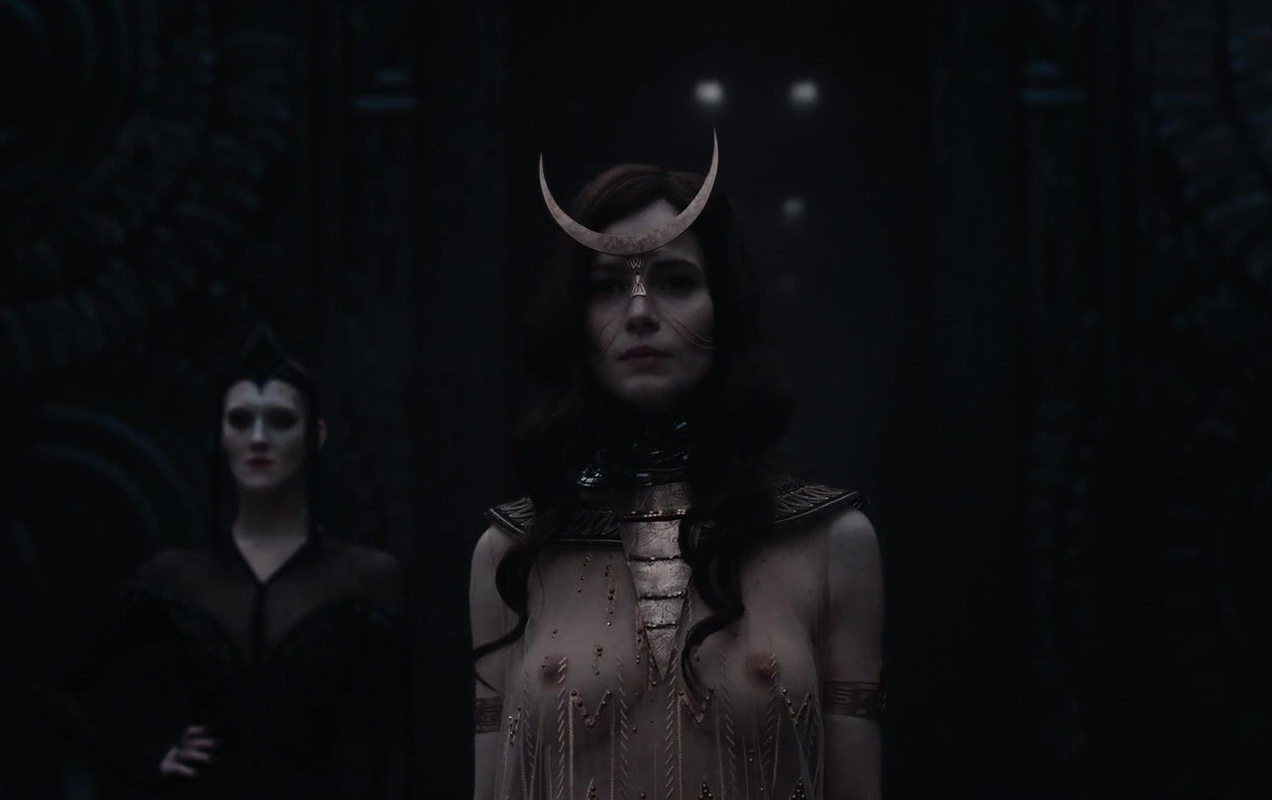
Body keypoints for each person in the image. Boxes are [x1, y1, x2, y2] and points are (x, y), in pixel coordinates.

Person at [470, 137, 886, 800]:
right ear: (574, 316)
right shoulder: (510, 553)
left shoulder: (833, 545)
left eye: (676, 282)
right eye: (607, 287)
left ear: (724, 304)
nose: (640, 313)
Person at [58, 323, 409, 799]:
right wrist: (149, 755)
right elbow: (60, 687)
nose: (258, 438)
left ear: (315, 435)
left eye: (281, 420)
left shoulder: (364, 576)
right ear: (221, 434)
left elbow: (396, 741)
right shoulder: (177, 577)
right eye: (240, 420)